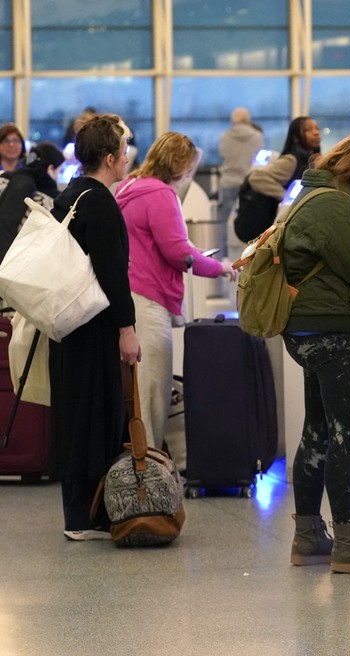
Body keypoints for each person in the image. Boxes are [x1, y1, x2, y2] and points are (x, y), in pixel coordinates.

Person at [281, 134, 350, 573]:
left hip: (316, 331)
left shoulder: (316, 196)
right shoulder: (336, 205)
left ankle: (309, 535)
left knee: (318, 433)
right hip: (343, 333)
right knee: (347, 437)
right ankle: (348, 539)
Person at [115, 132, 237, 472]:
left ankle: (141, 464)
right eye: (189, 168)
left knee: (137, 392)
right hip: (149, 299)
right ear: (180, 165)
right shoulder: (160, 194)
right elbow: (178, 252)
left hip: (128, 293)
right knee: (154, 393)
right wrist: (219, 268)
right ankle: (149, 473)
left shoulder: (130, 186)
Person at [47, 114, 141, 540]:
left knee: (74, 416)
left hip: (68, 326)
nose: (126, 160)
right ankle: (93, 513)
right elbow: (111, 272)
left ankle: (76, 515)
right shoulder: (100, 201)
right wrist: (127, 328)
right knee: (99, 414)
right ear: (109, 158)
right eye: (123, 153)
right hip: (96, 326)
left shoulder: (71, 194)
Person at [0, 141, 65, 261]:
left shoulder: (4, 179)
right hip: (16, 264)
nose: (58, 176)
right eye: (59, 171)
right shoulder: (52, 200)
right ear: (50, 169)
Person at [245, 115, 321, 204]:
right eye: (308, 130)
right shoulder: (291, 160)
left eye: (317, 129)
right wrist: (287, 198)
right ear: (296, 137)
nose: (316, 133)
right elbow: (256, 178)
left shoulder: (312, 159)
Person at [218, 107, 264, 223]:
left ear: (233, 121)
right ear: (248, 120)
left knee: (226, 220)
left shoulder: (224, 137)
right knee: (249, 221)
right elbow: (260, 160)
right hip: (249, 183)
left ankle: (224, 242)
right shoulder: (258, 137)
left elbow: (223, 156)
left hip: (229, 182)